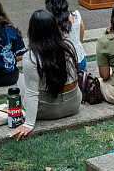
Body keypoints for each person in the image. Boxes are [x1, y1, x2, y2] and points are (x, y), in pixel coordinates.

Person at [9, 10, 81, 140]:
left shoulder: (30, 57)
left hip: (47, 111)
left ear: (32, 31)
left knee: (21, 79)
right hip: (74, 104)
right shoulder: (68, 46)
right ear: (55, 27)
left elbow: (31, 93)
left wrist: (29, 123)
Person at [44, 0, 85, 72]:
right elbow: (80, 39)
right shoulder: (76, 15)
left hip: (62, 66)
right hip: (81, 61)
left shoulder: (49, 22)